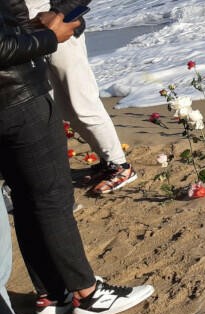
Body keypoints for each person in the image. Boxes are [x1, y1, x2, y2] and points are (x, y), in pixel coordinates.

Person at [1, 0, 154, 314]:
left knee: (28, 198)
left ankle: (52, 295)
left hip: (9, 95)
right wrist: (48, 35)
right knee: (51, 198)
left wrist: (50, 22)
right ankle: (87, 295)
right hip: (17, 94)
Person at [25, 0, 136, 195]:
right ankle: (108, 162)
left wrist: (59, 13)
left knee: (82, 103)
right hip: (27, 32)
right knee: (64, 107)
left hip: (59, 26)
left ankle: (121, 166)